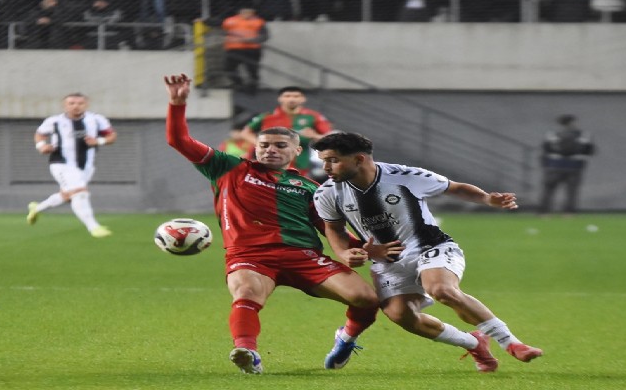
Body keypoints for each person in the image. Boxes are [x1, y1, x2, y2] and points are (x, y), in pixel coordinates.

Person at [163, 73, 380, 374]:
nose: (270, 150)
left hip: (304, 256)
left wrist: (359, 247)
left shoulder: (310, 188)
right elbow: (179, 141)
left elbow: (331, 229)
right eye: (264, 145)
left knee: (366, 298)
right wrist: (177, 104)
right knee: (246, 293)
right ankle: (248, 352)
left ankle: (346, 338)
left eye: (279, 145)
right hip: (250, 256)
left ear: (297, 151)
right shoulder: (229, 168)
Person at [312, 132, 544, 372]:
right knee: (402, 316)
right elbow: (334, 229)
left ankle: (511, 342)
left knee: (442, 289)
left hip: (431, 246)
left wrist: (486, 199)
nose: (326, 167)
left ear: (359, 159)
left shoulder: (405, 176)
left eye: (333, 160)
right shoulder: (327, 193)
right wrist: (345, 253)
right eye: (323, 161)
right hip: (388, 262)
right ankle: (474, 343)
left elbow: (455, 188)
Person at [26, 93, 116, 238]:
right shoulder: (54, 121)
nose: (76, 106)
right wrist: (41, 146)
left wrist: (99, 141)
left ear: (86, 105)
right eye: (72, 103)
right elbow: (40, 134)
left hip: (86, 165)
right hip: (61, 163)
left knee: (67, 195)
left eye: (80, 103)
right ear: (65, 105)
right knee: (80, 193)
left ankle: (37, 208)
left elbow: (111, 136)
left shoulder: (96, 119)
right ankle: (94, 227)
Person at [240, 86, 332, 179]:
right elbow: (245, 132)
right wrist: (262, 144)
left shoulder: (313, 117)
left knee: (294, 186)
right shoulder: (267, 116)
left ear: (303, 99)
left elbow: (330, 138)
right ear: (280, 98)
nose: (291, 99)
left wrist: (314, 136)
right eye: (287, 96)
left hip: (299, 162)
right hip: (268, 161)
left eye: (296, 96)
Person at [539, 114, 595, 214]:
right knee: (571, 191)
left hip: (554, 166)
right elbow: (590, 150)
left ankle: (544, 212)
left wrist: (546, 165)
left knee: (549, 190)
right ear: (572, 122)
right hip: (574, 166)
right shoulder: (583, 135)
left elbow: (545, 150)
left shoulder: (552, 134)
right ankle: (569, 213)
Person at [221, 7, 268, 94]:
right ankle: (239, 84)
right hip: (234, 48)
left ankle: (252, 89)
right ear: (239, 12)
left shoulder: (259, 21)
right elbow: (223, 32)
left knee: (252, 70)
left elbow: (264, 36)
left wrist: (252, 40)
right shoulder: (229, 21)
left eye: (249, 11)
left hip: (252, 49)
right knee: (228, 68)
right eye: (244, 11)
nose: (247, 13)